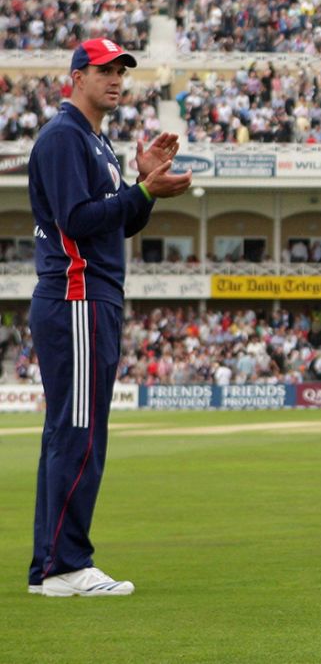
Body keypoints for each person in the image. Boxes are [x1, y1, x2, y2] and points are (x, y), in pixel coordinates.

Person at [27, 38, 192, 597]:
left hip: (90, 296)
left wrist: (140, 190)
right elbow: (77, 219)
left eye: (122, 70)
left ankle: (48, 564)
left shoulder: (96, 141)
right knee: (79, 435)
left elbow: (115, 222)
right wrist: (141, 189)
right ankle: (66, 565)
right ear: (76, 76)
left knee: (69, 433)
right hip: (76, 295)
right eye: (105, 70)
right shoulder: (65, 137)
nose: (117, 78)